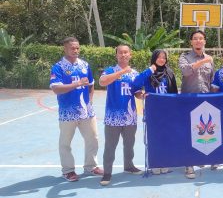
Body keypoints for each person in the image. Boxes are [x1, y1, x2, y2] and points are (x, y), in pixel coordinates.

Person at [49, 37, 103, 182]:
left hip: (87, 112)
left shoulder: (84, 65)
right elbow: (56, 89)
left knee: (93, 139)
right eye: (72, 48)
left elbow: (91, 84)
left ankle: (91, 166)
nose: (76, 50)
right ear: (65, 49)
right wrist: (77, 84)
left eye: (77, 48)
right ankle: (68, 171)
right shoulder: (58, 67)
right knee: (65, 143)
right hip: (68, 113)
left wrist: (90, 100)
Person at [98, 44, 146, 186]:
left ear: (130, 55)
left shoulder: (135, 73)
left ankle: (129, 166)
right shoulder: (110, 70)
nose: (123, 55)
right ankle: (107, 173)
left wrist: (142, 95)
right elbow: (102, 82)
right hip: (113, 117)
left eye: (126, 52)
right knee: (110, 146)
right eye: (120, 52)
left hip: (130, 116)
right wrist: (122, 72)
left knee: (129, 144)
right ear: (116, 55)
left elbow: (136, 92)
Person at [134, 49, 178, 175]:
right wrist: (149, 70)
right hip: (153, 110)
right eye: (159, 57)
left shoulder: (169, 72)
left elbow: (174, 92)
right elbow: (136, 83)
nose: (162, 60)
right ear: (154, 58)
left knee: (166, 137)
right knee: (154, 137)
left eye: (164, 57)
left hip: (167, 111)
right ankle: (154, 163)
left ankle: (164, 162)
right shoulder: (148, 73)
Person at [178, 30, 214, 179]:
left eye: (201, 39)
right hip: (189, 99)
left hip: (205, 99)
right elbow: (186, 72)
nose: (198, 41)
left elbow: (212, 80)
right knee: (189, 132)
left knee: (203, 131)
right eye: (195, 39)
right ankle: (189, 163)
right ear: (191, 42)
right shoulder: (184, 57)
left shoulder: (210, 59)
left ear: (205, 42)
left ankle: (200, 158)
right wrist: (202, 62)